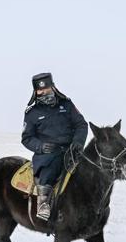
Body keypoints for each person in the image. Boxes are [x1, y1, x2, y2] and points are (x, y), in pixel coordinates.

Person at [21, 72, 88, 221]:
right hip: (47, 154)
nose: (43, 92)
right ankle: (43, 204)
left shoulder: (67, 104)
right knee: (50, 165)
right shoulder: (32, 113)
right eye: (40, 90)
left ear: (53, 86)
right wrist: (40, 146)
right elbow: (26, 138)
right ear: (35, 91)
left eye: (46, 88)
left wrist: (78, 142)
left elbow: (81, 125)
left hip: (71, 150)